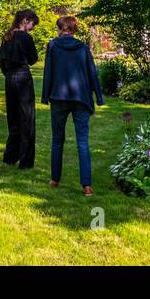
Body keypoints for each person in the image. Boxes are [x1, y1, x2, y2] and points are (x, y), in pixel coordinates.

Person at [41, 15, 103, 195]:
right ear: (74, 30)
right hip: (81, 98)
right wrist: (98, 97)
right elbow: (93, 73)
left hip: (59, 98)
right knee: (82, 142)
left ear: (61, 29)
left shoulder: (53, 46)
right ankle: (87, 186)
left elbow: (48, 72)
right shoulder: (83, 48)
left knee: (57, 140)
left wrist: (46, 96)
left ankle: (54, 180)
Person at [0, 9, 39, 168]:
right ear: (25, 20)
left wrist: (8, 75)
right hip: (22, 77)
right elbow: (33, 59)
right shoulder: (25, 38)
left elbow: (1, 61)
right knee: (27, 119)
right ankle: (26, 161)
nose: (33, 27)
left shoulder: (7, 36)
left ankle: (10, 157)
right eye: (32, 24)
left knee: (13, 118)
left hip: (9, 78)